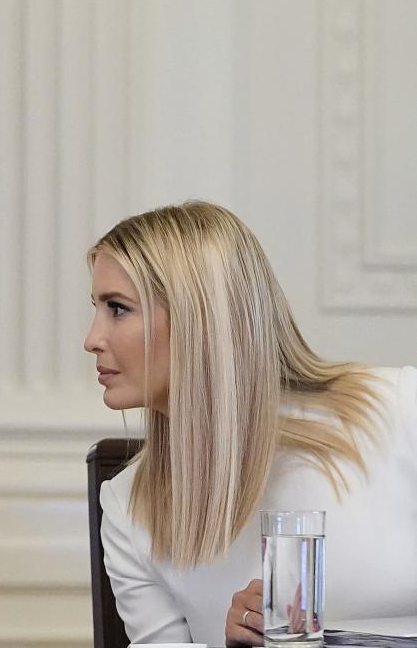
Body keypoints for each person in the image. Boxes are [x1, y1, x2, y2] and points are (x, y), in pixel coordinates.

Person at [85, 201, 417, 646]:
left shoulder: (397, 408)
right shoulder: (128, 506)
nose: (92, 339)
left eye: (118, 308)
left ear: (197, 316)